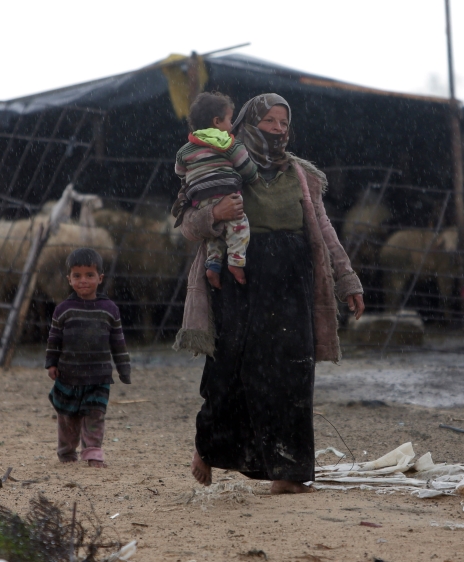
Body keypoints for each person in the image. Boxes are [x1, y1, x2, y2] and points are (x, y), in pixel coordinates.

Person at [173, 93, 365, 494]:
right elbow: (189, 223)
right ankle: (208, 450)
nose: (279, 130)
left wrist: (346, 279)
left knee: (292, 373)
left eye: (284, 123)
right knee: (231, 371)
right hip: (240, 282)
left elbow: (324, 230)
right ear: (247, 122)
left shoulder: (301, 174)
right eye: (271, 122)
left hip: (292, 282)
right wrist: (215, 215)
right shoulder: (220, 164)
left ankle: (288, 474)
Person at [45, 248, 131, 468]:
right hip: (68, 375)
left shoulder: (109, 310)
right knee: (67, 416)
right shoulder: (63, 310)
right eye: (77, 276)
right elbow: (54, 340)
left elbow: (118, 342)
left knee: (95, 413)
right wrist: (51, 363)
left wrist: (123, 368)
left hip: (99, 375)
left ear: (100, 278)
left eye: (89, 275)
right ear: (69, 279)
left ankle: (93, 453)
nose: (83, 281)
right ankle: (66, 452)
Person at [174, 91, 259, 289]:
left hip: (200, 199)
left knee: (215, 232)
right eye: (230, 120)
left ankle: (213, 264)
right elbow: (246, 167)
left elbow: (180, 171)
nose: (232, 125)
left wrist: (196, 178)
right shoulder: (228, 143)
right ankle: (236, 262)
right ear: (217, 122)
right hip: (226, 192)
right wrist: (254, 177)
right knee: (239, 225)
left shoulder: (186, 149)